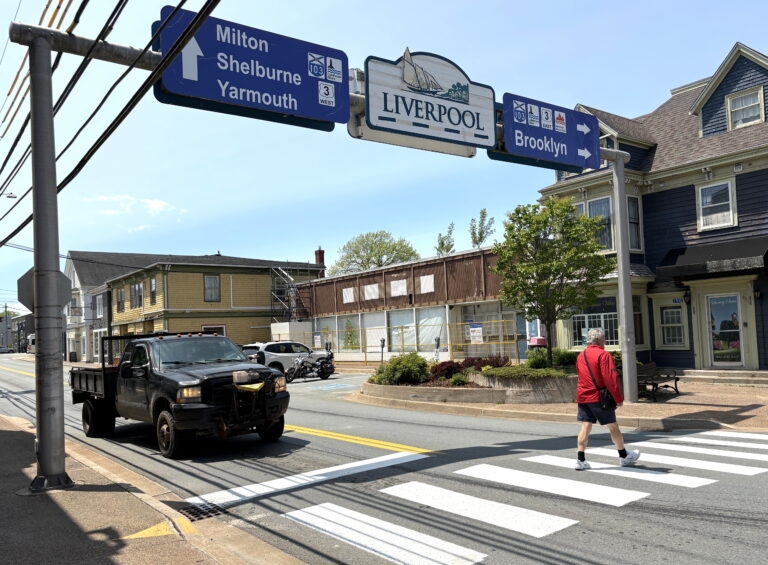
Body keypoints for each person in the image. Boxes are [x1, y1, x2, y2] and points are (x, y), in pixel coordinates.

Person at [574, 328, 640, 470]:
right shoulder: (603, 355)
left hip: (583, 396)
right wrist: (618, 398)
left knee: (585, 426)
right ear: (599, 340)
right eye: (604, 339)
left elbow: (580, 375)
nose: (605, 341)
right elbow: (610, 379)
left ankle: (580, 459)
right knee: (612, 426)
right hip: (599, 397)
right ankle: (623, 456)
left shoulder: (581, 355)